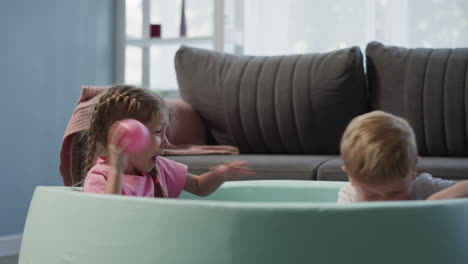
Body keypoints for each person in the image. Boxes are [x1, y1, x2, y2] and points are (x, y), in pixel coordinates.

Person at [83, 85, 254, 197]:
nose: (166, 142)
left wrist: (219, 175)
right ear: (128, 137)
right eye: (158, 132)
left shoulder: (161, 168)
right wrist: (116, 171)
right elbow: (107, 216)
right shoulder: (100, 177)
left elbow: (199, 186)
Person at [337, 110, 456, 203]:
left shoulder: (423, 188)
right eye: (372, 195)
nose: (384, 203)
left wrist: (442, 196)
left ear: (413, 170)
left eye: (395, 193)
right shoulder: (350, 197)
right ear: (350, 177)